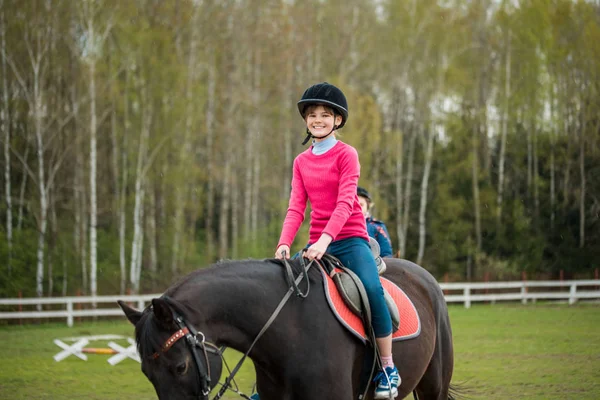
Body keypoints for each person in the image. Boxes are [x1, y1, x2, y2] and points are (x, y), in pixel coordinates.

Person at [273, 82, 400, 399]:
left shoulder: (347, 154)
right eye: (312, 115)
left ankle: (387, 367)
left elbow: (345, 203)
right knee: (282, 300)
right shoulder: (301, 162)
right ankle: (271, 382)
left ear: (338, 120)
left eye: (325, 115)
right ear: (305, 120)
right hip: (316, 243)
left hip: (349, 240)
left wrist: (326, 240)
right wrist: (284, 243)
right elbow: (296, 208)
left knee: (372, 290)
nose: (318, 119)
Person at [357, 186, 393, 257]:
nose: (357, 207)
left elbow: (386, 253)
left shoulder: (377, 227)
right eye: (354, 204)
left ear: (367, 206)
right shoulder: (339, 224)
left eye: (361, 205)